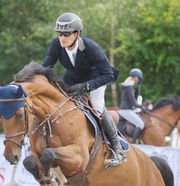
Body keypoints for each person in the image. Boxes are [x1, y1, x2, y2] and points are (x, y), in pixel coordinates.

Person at [42, 12, 124, 168]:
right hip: (73, 77)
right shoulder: (56, 44)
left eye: (66, 34)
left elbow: (108, 74)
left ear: (77, 34)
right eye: (60, 34)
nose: (62, 38)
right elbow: (45, 67)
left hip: (96, 78)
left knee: (97, 107)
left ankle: (117, 148)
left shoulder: (91, 48)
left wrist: (86, 87)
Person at [119, 68, 147, 143]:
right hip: (126, 110)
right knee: (141, 124)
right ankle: (134, 143)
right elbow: (133, 102)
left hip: (127, 109)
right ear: (136, 77)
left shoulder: (127, 85)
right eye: (138, 79)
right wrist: (142, 107)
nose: (138, 81)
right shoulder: (129, 86)